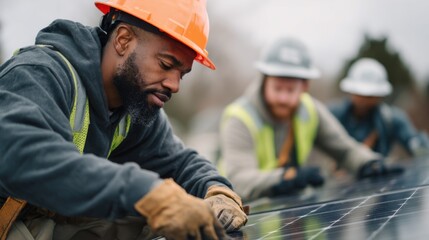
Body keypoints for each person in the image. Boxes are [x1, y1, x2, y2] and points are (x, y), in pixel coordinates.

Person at [0, 0, 248, 239]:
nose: (174, 85)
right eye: (165, 64)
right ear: (123, 40)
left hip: (40, 223)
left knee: (153, 217)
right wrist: (145, 193)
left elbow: (180, 162)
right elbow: (24, 156)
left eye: (181, 74)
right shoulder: (39, 74)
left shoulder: (134, 105)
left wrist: (216, 189)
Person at [218, 37, 402, 202]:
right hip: (246, 217)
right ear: (263, 80)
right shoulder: (239, 118)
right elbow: (237, 179)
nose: (283, 98)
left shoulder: (310, 110)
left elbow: (345, 150)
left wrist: (369, 163)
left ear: (305, 86)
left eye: (290, 90)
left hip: (289, 214)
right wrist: (288, 177)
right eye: (277, 88)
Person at [329, 58, 429, 158]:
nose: (364, 101)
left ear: (380, 95)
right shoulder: (333, 115)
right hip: (337, 172)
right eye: (360, 94)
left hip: (379, 171)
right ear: (351, 91)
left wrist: (421, 148)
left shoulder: (390, 119)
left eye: (370, 96)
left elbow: (413, 141)